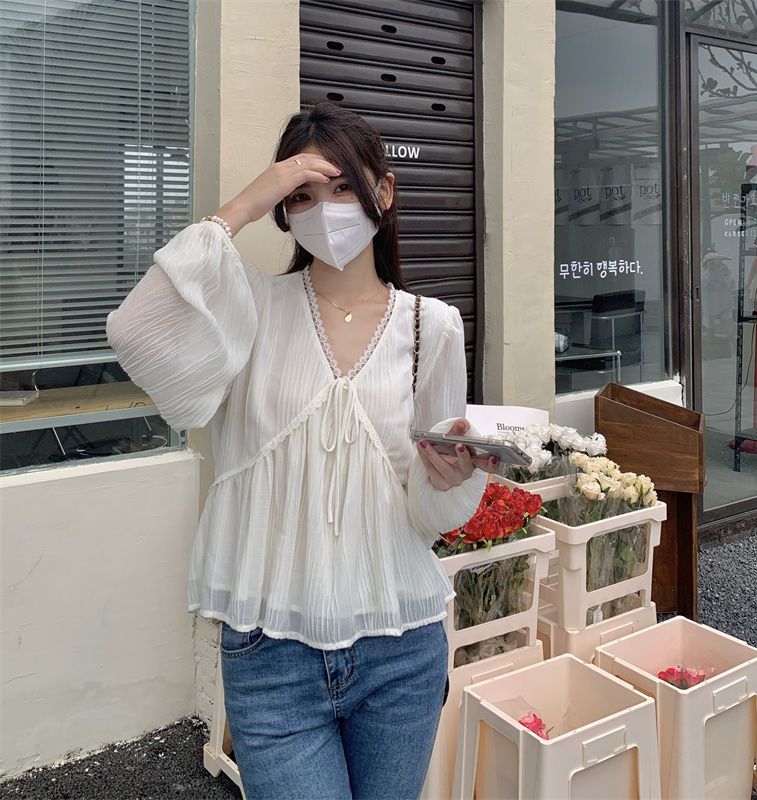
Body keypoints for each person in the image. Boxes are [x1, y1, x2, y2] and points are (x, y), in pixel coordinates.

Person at [105, 101, 494, 800]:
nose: (325, 210)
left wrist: (448, 479)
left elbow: (431, 517)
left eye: (343, 188)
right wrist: (247, 202)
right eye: (303, 195)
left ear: (383, 191)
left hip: (402, 646)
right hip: (271, 653)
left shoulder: (431, 327)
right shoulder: (251, 308)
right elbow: (138, 333)